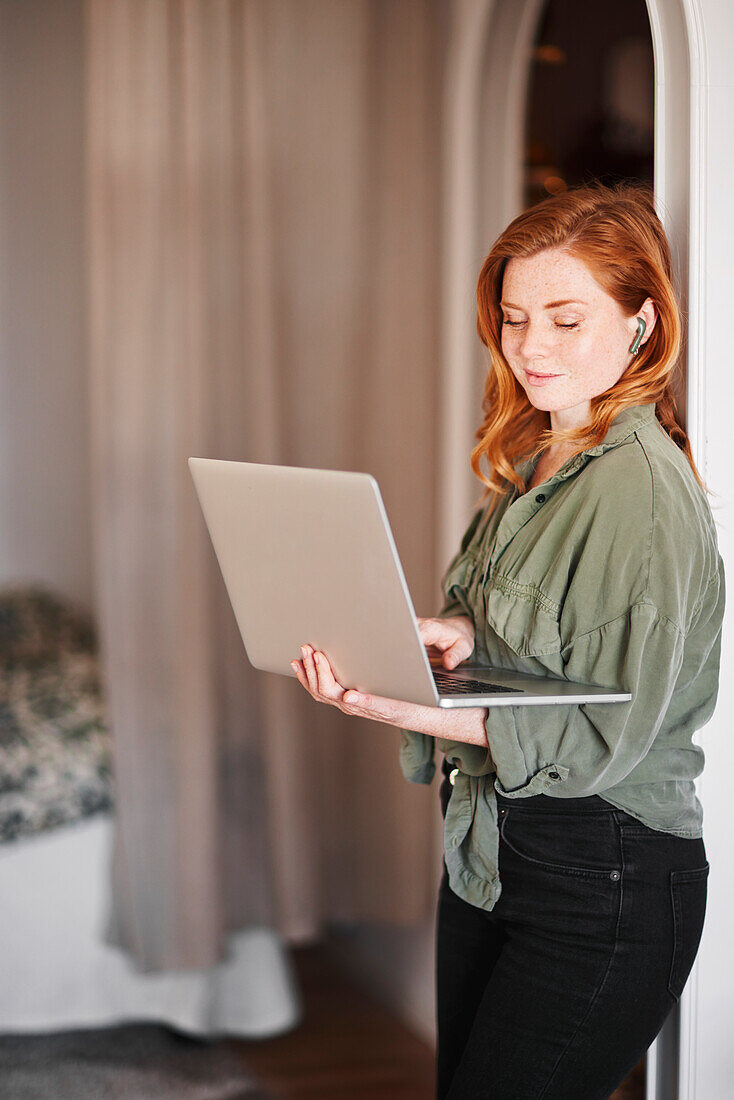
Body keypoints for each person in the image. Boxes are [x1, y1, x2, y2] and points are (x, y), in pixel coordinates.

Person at [290, 180, 725, 1099]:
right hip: (491, 852)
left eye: (567, 321)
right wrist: (449, 636)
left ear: (642, 322)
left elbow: (601, 737)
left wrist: (396, 700)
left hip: (601, 874)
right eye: (516, 317)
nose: (531, 347)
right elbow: (526, 645)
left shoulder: (638, 492)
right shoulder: (537, 456)